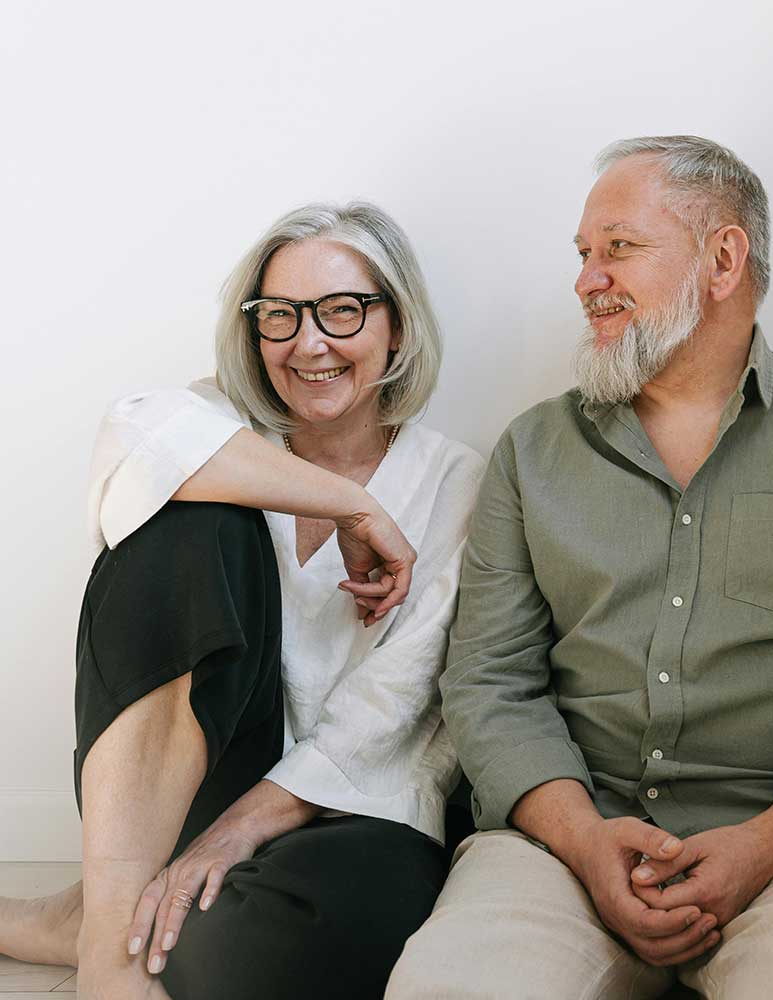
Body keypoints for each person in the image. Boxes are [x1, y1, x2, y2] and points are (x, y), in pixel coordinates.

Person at [385, 136, 773, 1000]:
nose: (586, 280)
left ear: (723, 259)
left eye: (618, 247)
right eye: (584, 254)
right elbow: (491, 682)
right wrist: (585, 841)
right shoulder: (531, 452)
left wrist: (764, 844)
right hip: (565, 847)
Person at [0, 201, 484, 1000]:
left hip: (346, 806)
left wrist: (236, 833)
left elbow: (401, 700)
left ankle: (82, 920)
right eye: (280, 315)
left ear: (396, 327)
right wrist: (350, 505)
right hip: (188, 783)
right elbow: (131, 432)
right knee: (178, 515)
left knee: (272, 955)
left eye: (342, 310)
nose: (309, 342)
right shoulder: (218, 430)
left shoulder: (455, 479)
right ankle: (111, 945)